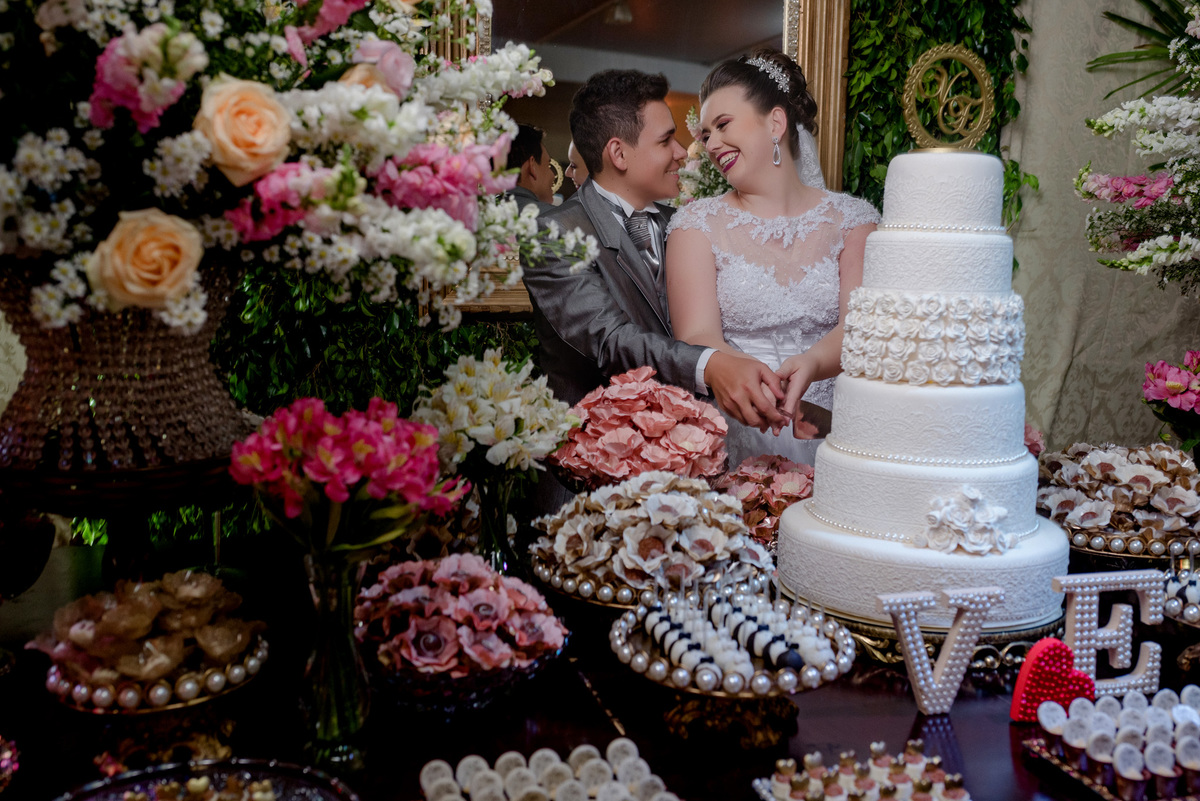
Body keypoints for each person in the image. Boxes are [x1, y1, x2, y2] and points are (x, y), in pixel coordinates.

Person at [523, 70, 790, 512]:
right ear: (619, 154)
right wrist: (711, 365)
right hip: (590, 485)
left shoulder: (683, 226)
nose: (683, 153)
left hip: (686, 475)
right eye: (666, 140)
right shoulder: (554, 233)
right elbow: (611, 341)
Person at [665, 49, 879, 467]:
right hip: (740, 428)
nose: (711, 144)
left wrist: (812, 362)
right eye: (705, 135)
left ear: (776, 123)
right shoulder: (695, 225)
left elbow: (861, 327)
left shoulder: (855, 222)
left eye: (723, 125)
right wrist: (763, 384)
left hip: (833, 429)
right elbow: (697, 336)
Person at [504, 123, 556, 214]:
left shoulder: (482, 213)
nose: (553, 175)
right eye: (548, 166)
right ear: (532, 166)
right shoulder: (553, 217)